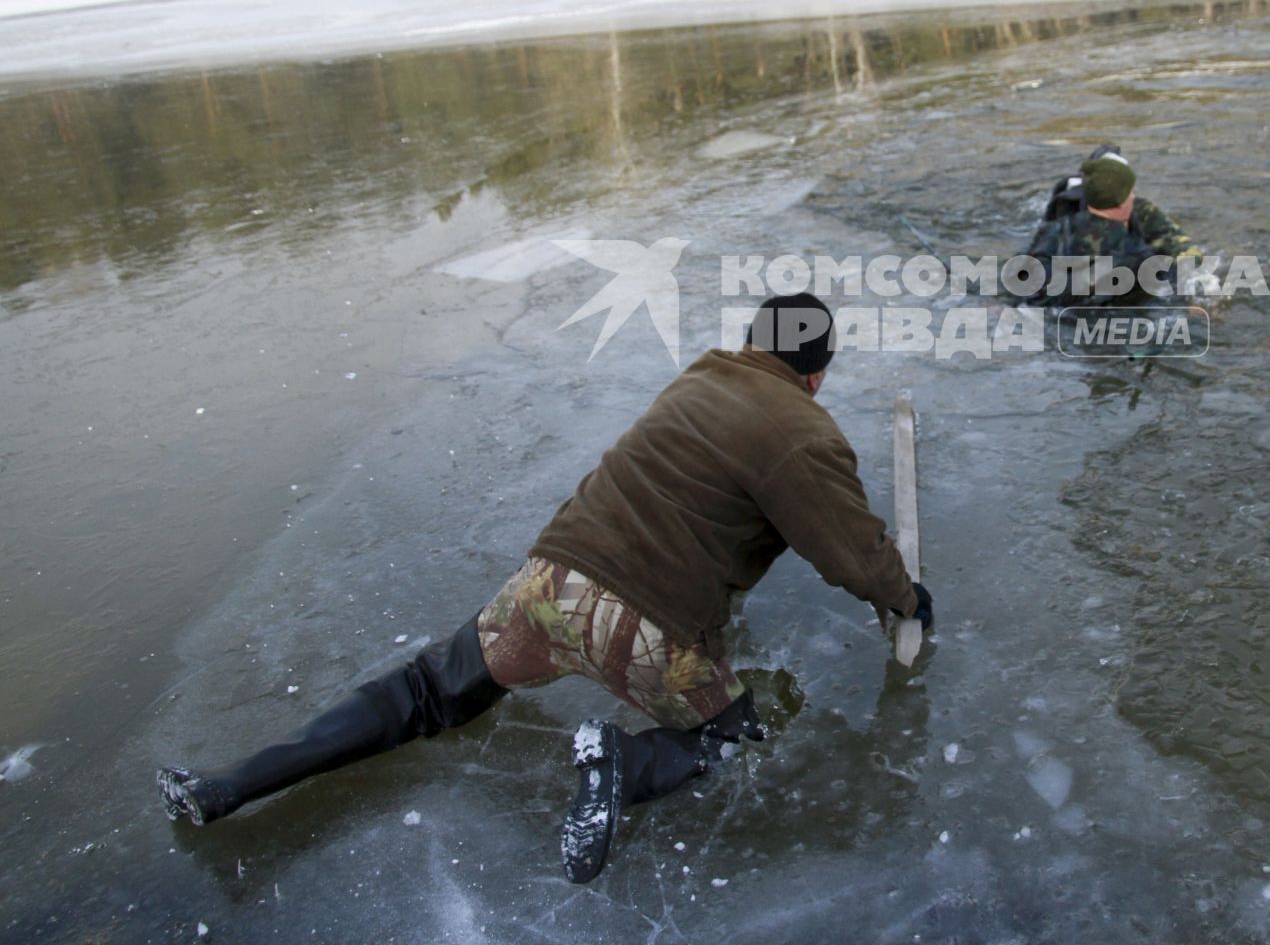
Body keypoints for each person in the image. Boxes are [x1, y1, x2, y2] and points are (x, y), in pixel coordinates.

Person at [157, 292, 931, 885]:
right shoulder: (804, 431)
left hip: (547, 582)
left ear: (753, 343)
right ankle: (624, 767)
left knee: (427, 690)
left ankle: (227, 785)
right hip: (647, 629)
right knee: (731, 737)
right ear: (818, 373)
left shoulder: (697, 380)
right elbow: (853, 558)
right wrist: (908, 599)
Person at [1024, 148, 1202, 306]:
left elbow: (1024, 277)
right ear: (1121, 202)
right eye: (1130, 192)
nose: (1133, 196)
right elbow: (1168, 289)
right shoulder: (1134, 251)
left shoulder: (1054, 229)